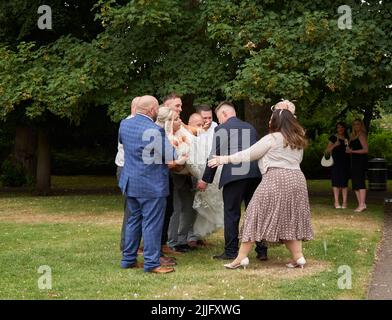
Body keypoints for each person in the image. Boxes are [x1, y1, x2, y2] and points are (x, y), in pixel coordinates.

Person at [208, 107, 314, 270]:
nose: (269, 121)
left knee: (254, 215)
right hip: (297, 179)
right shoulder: (297, 139)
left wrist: (224, 159)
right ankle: (298, 257)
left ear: (277, 122)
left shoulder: (272, 138)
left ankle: (240, 258)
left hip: (276, 178)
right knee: (289, 218)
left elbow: (248, 154)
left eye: (271, 118)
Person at [119, 95, 183, 274]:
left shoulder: (124, 124)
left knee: (133, 221)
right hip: (151, 184)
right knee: (152, 223)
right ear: (152, 110)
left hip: (131, 181)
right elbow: (170, 155)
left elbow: (127, 146)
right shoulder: (154, 130)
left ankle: (128, 260)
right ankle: (152, 263)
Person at [197, 101, 268, 261]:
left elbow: (214, 156)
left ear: (224, 114)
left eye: (218, 118)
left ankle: (231, 251)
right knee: (256, 213)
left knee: (231, 213)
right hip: (254, 175)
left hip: (234, 176)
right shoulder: (250, 127)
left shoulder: (221, 128)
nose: (219, 121)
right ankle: (262, 250)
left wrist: (205, 179)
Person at [164, 93, 200, 253]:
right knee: (176, 207)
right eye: (177, 106)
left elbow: (193, 131)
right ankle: (172, 241)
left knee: (188, 207)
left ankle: (182, 239)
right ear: (167, 106)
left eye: (180, 105)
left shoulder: (179, 123)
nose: (180, 109)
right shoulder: (163, 125)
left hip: (188, 172)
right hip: (174, 172)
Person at [115, 96, 139, 252]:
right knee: (131, 209)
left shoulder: (130, 123)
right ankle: (126, 245)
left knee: (133, 209)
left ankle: (131, 244)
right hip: (127, 168)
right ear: (135, 109)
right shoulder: (129, 125)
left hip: (128, 168)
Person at [325, 122, 350, 209]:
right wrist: (335, 145)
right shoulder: (333, 137)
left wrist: (349, 149)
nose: (340, 129)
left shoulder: (347, 138)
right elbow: (327, 151)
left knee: (344, 183)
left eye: (342, 127)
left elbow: (348, 150)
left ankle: (344, 203)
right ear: (337, 128)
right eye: (338, 127)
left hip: (345, 163)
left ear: (344, 128)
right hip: (335, 162)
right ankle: (336, 202)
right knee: (335, 182)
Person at [346, 119, 368, 212]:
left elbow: (366, 150)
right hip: (353, 161)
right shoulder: (352, 136)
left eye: (358, 124)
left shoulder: (362, 135)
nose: (356, 126)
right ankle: (361, 204)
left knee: (360, 182)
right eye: (354, 124)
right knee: (355, 183)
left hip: (360, 162)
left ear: (361, 125)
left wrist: (353, 151)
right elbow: (350, 148)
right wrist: (348, 150)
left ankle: (362, 204)